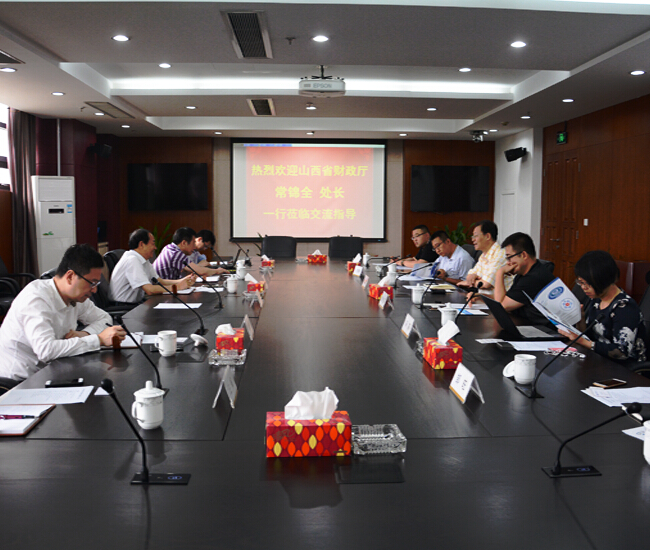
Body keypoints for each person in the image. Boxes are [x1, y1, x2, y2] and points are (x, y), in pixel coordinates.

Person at [0, 244, 126, 381]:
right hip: (20, 381)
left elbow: (104, 318)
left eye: (96, 284)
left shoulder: (75, 296)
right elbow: (46, 350)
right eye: (92, 283)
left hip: (52, 369)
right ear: (70, 276)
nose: (94, 290)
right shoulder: (36, 298)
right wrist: (98, 339)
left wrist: (85, 333)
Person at [558, 251, 646, 366]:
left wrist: (581, 341)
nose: (583, 288)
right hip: (598, 360)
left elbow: (621, 352)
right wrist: (580, 320)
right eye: (580, 282)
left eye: (587, 283)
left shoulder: (625, 307)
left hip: (624, 368)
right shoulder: (596, 299)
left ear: (602, 280)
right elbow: (589, 336)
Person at [110, 228, 196, 304]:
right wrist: (177, 287)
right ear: (141, 244)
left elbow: (160, 281)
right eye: (152, 244)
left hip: (136, 303)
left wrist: (183, 281)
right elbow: (149, 290)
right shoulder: (132, 260)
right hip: (124, 306)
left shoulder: (143, 259)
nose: (155, 248)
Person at [494, 232, 555, 325]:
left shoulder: (533, 278)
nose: (508, 263)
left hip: (543, 329)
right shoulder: (526, 272)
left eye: (509, 257)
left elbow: (501, 306)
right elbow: (506, 299)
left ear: (524, 255)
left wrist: (500, 273)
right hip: (527, 323)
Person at [458, 220, 512, 296]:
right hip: (483, 298)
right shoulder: (483, 255)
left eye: (475, 236)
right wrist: (473, 276)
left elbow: (486, 284)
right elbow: (470, 275)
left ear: (487, 236)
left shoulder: (500, 254)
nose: (473, 239)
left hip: (497, 301)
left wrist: (468, 282)